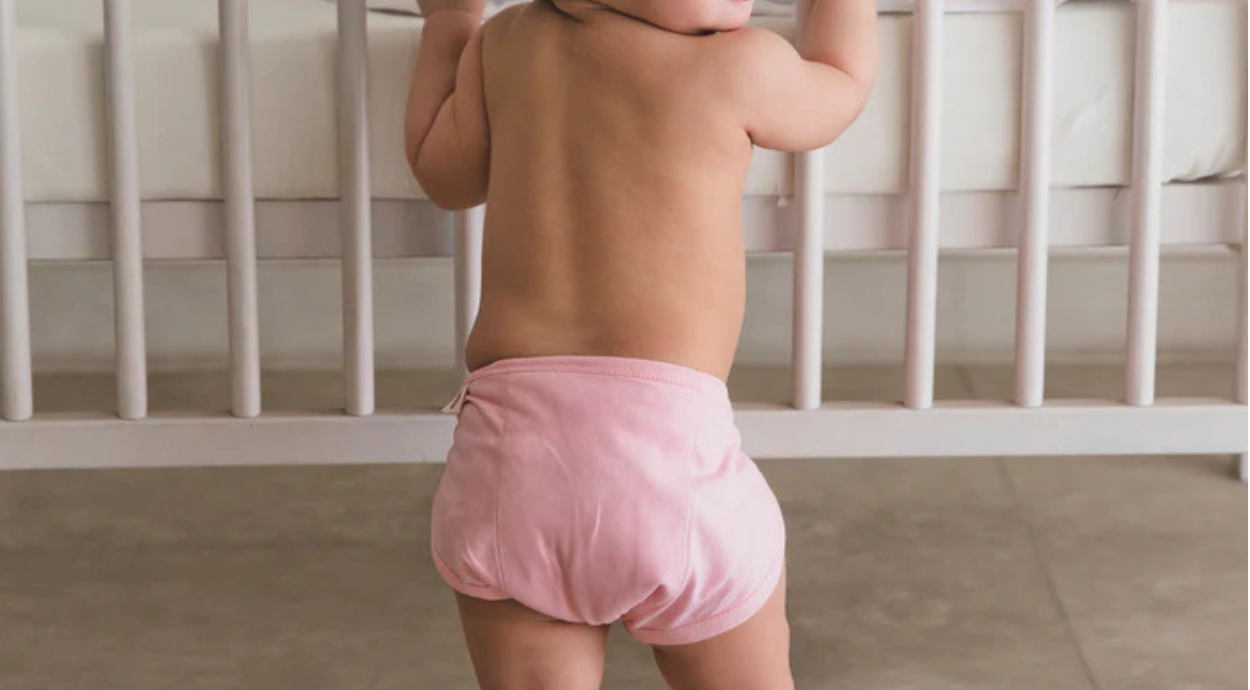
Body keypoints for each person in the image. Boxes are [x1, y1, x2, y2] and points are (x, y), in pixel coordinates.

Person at [405, 0, 877, 687]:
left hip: (508, 480)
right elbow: (841, 83)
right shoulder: (741, 64)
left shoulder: (505, 45)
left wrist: (448, 25)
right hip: (672, 477)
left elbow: (441, 175)